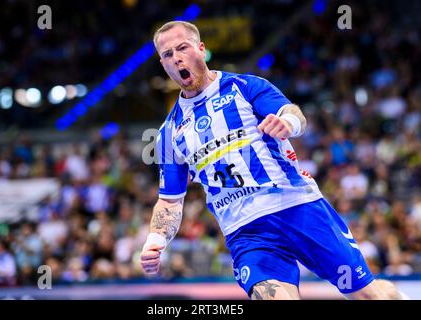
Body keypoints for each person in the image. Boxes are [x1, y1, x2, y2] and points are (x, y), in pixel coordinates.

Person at [139, 21, 405, 300]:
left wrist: (288, 123)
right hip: (247, 233)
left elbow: (292, 112)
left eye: (182, 47)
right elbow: (170, 199)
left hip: (298, 208)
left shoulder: (244, 87)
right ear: (163, 64)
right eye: (168, 54)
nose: (176, 57)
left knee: (367, 295)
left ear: (201, 49)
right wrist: (155, 240)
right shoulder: (169, 133)